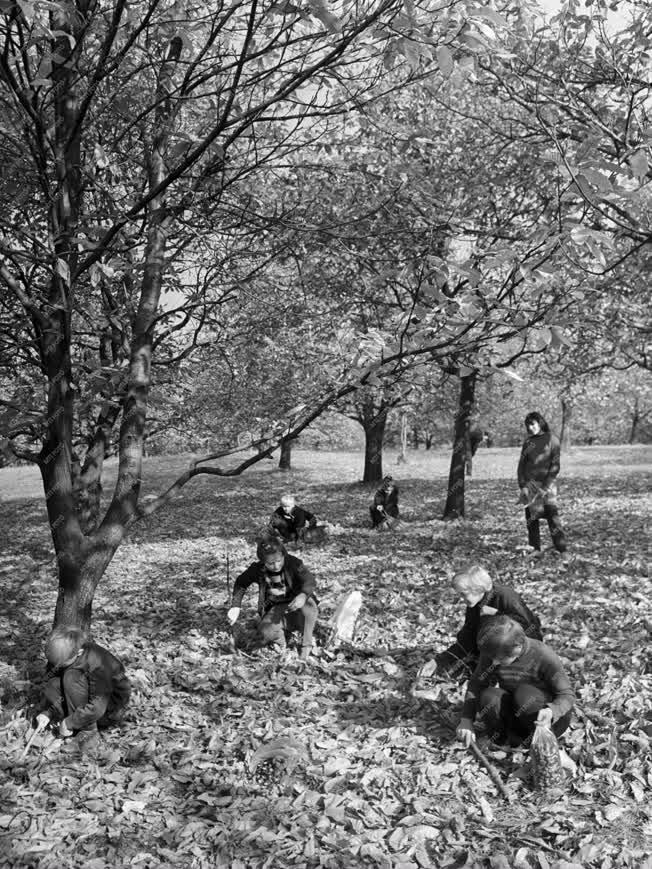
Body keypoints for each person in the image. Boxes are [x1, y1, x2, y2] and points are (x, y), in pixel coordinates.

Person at [456, 615, 574, 748]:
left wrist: (552, 711)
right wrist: (466, 719)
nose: (494, 662)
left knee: (524, 694)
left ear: (518, 647)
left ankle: (539, 745)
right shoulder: (494, 651)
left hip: (547, 719)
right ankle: (503, 742)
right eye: (492, 658)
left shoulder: (543, 655)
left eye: (500, 659)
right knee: (489, 696)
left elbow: (567, 695)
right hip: (518, 714)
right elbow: (477, 684)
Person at [435, 566, 542, 678]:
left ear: (478, 589)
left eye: (463, 594)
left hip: (516, 652)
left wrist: (497, 614)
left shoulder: (505, 596)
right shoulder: (475, 603)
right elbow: (468, 636)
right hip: (490, 652)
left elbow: (530, 628)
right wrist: (439, 660)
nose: (461, 599)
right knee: (453, 673)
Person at [36, 626, 131, 752]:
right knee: (53, 683)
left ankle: (88, 733)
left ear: (79, 652)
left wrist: (70, 722)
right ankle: (65, 718)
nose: (56, 666)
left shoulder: (97, 666)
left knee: (71, 677)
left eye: (60, 664)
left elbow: (97, 707)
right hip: (86, 699)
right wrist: (47, 711)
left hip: (111, 708)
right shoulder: (67, 655)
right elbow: (54, 681)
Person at [227, 537, 318, 660]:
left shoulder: (293, 563)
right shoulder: (257, 569)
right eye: (270, 563)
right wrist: (236, 605)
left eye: (279, 561)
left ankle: (306, 646)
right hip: (276, 606)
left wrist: (303, 595)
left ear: (283, 555)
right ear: (263, 561)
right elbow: (241, 582)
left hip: (298, 600)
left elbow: (309, 580)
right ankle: (282, 641)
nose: (276, 566)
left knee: (310, 607)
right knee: (266, 633)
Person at [517, 411, 567, 554]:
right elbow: (521, 466)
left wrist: (545, 487)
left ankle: (562, 549)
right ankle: (535, 549)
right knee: (531, 519)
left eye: (532, 424)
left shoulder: (553, 440)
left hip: (548, 484)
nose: (530, 428)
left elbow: (555, 466)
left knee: (552, 516)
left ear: (540, 422)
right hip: (530, 485)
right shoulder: (528, 443)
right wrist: (523, 486)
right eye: (528, 425)